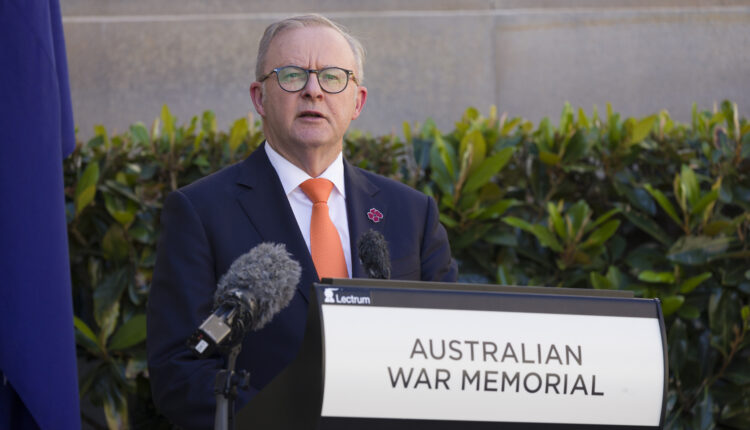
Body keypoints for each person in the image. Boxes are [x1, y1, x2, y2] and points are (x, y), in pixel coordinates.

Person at [146, 14, 457, 429]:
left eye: (333, 77)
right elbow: (179, 368)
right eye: (292, 75)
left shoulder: (411, 214)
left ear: (357, 101)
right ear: (260, 98)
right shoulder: (200, 212)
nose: (313, 90)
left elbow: (450, 349)